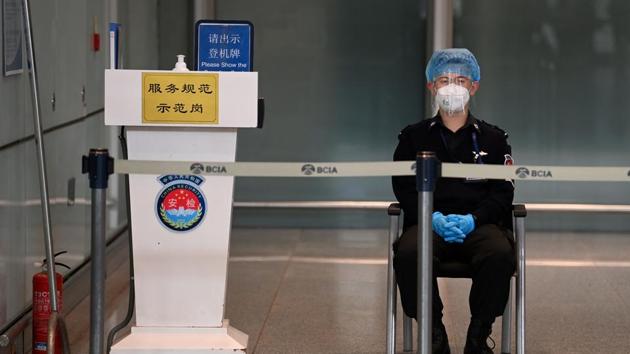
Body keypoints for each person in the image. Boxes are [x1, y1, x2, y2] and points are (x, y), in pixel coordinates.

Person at [392, 48, 516, 354]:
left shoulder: (493, 139)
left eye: (460, 80)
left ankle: (479, 334)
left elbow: (503, 191)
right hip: (428, 221)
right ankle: (433, 333)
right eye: (443, 79)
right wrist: (431, 216)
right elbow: (403, 187)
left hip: (480, 222)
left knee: (499, 253)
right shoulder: (413, 137)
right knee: (409, 253)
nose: (452, 86)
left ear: (474, 86)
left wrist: (474, 219)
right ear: (431, 86)